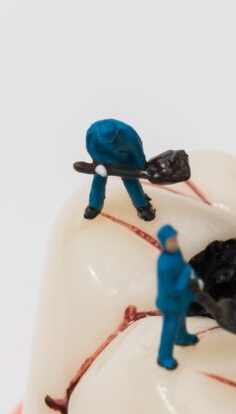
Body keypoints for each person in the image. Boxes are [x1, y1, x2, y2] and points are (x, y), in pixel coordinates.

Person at [83, 119, 156, 222]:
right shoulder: (93, 132)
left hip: (125, 159)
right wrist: (98, 163)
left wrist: (141, 168)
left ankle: (143, 207)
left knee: (131, 181)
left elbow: (137, 152)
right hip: (104, 159)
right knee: (98, 179)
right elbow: (91, 147)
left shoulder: (129, 135)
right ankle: (94, 206)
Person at [155, 225, 198, 370]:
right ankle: (164, 357)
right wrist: (187, 275)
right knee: (169, 329)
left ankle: (182, 337)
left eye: (175, 239)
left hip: (180, 300)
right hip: (170, 303)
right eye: (170, 241)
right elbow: (173, 289)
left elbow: (183, 267)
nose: (174, 243)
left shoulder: (177, 252)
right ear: (163, 243)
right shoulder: (164, 265)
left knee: (181, 319)